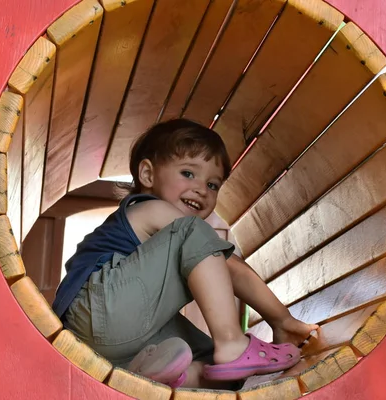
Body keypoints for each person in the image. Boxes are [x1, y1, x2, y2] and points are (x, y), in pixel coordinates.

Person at [51, 119, 318, 389]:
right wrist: (282, 320)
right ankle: (232, 342)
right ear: (147, 175)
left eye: (213, 185)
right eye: (188, 173)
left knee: (225, 372)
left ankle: (164, 375)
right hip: (100, 308)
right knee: (194, 231)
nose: (202, 189)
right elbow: (234, 270)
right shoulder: (150, 210)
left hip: (106, 344)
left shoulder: (173, 238)